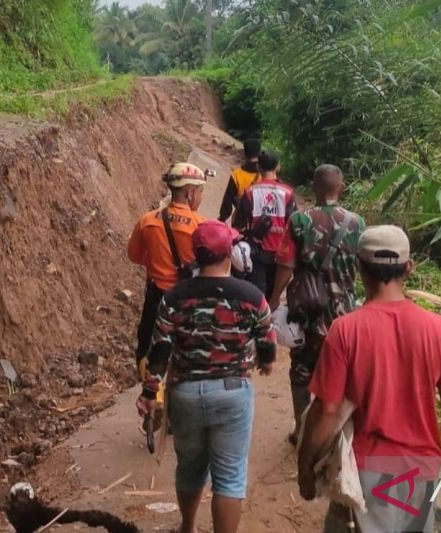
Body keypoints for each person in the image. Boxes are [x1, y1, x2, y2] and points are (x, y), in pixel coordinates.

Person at [298, 225, 441, 533]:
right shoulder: (440, 330)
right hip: (422, 473)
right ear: (409, 268)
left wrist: (306, 467)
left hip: (366, 475)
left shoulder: (345, 330)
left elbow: (326, 411)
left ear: (359, 268)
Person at [137, 220, 277, 533]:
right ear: (229, 252)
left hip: (185, 393)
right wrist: (266, 361)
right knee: (229, 477)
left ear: (196, 255)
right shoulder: (251, 296)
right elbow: (268, 339)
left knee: (189, 468)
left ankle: (187, 527)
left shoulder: (174, 297)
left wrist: (149, 394)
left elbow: (159, 350)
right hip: (232, 392)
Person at [268, 164, 365, 445]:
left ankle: (302, 431)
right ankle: (337, 434)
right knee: (343, 372)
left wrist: (274, 299)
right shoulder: (357, 223)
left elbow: (285, 264)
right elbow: (364, 265)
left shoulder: (299, 221)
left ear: (313, 187)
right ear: (341, 188)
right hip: (345, 314)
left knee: (301, 371)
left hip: (308, 312)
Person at [127, 162, 207, 373]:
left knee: (148, 343)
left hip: (156, 295)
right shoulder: (201, 226)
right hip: (188, 298)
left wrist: (156, 262)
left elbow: (134, 255)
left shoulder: (147, 221)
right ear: (190, 193)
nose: (201, 197)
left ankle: (152, 390)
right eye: (200, 191)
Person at [232, 150, 297, 297]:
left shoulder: (250, 192)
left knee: (257, 296)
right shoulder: (288, 193)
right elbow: (293, 224)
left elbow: (237, 226)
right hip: (280, 255)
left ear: (259, 168)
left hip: (257, 254)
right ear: (278, 167)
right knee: (273, 296)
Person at [218, 138, 261, 222]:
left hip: (240, 218)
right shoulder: (263, 175)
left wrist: (222, 218)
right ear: (259, 153)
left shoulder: (237, 174)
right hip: (258, 220)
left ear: (244, 153)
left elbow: (228, 200)